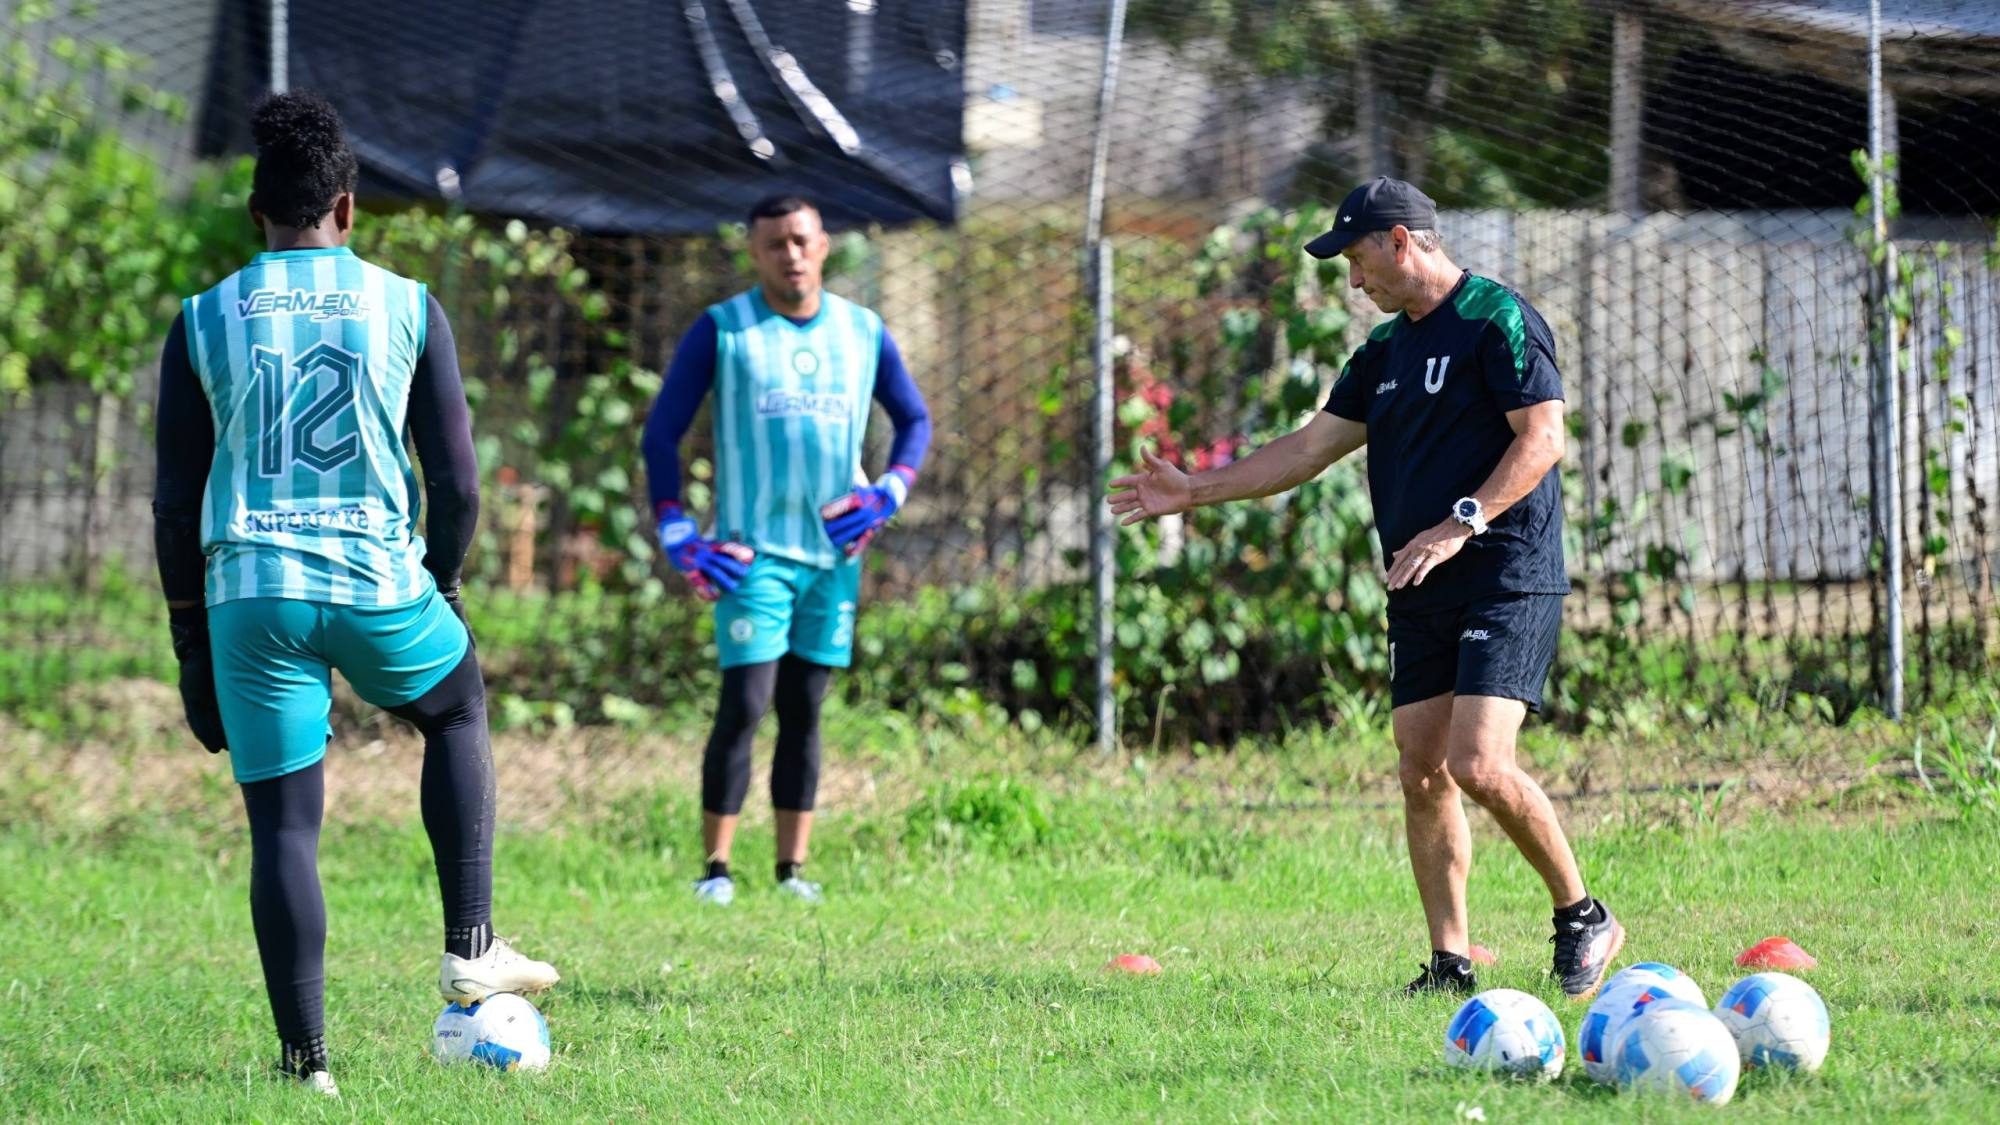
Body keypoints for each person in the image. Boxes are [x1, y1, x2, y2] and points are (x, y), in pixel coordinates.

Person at [1108, 177, 1624, 1000]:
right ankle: (1450, 964)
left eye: (1356, 259)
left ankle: (1582, 914)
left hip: (1503, 572)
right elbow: (1306, 449)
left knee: (1478, 761)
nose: (1353, 281)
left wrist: (1461, 522)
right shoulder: (1382, 354)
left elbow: (1543, 437)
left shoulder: (1497, 317)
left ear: (1400, 241)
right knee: (1422, 768)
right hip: (1417, 580)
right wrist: (1193, 490)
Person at [151, 91, 557, 1096]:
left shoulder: (203, 319)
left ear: (258, 214)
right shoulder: (406, 304)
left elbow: (173, 502)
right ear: (346, 207)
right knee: (454, 705)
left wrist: (189, 644)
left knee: (284, 831)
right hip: (377, 580)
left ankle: (308, 1070)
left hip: (252, 594)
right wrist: (443, 583)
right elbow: (457, 483)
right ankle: (471, 946)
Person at [641, 195, 931, 907]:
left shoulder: (863, 331)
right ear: (755, 253)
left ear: (824, 245)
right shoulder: (724, 330)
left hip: (834, 557)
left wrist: (890, 489)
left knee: (805, 707)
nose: (790, 254)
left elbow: (915, 419)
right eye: (775, 244)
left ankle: (791, 871)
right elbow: (661, 433)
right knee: (746, 702)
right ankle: (715, 868)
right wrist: (675, 526)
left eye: (801, 240)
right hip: (751, 555)